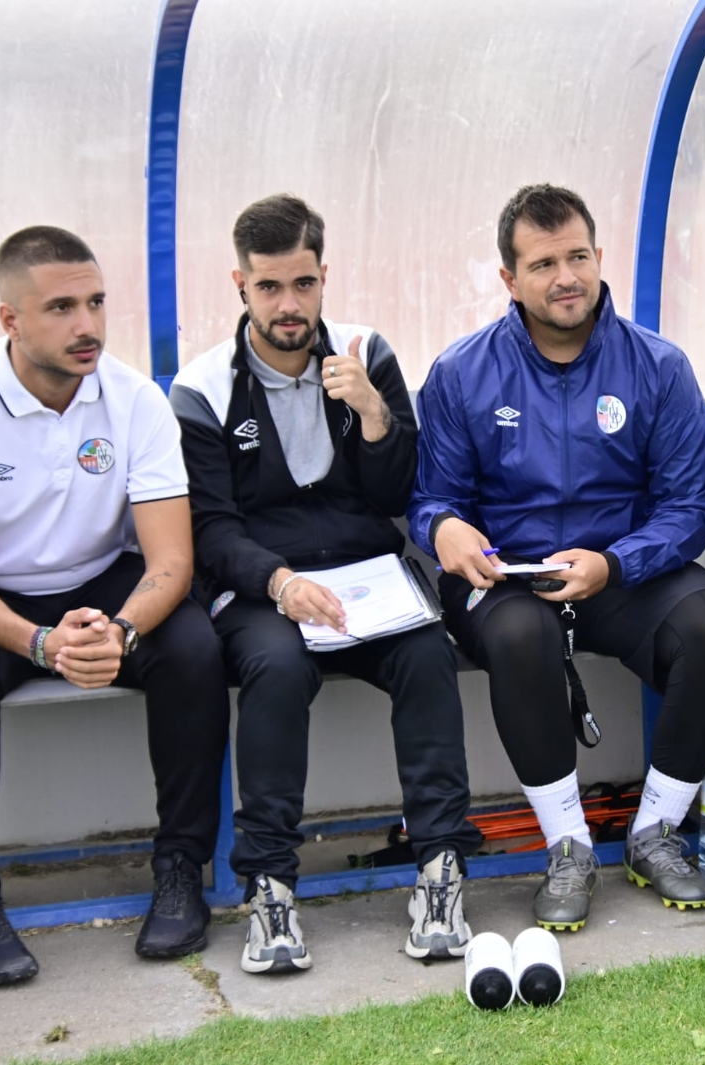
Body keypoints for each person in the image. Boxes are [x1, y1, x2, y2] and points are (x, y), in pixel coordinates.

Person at [409, 185, 705, 933]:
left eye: (577, 257)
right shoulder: (461, 372)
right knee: (519, 633)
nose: (565, 278)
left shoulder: (658, 366)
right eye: (543, 264)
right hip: (508, 581)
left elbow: (694, 504)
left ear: (599, 257)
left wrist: (614, 564)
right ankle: (568, 846)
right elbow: (432, 498)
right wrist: (445, 530)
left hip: (618, 572)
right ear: (510, 280)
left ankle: (654, 831)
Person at [0, 227, 231, 986]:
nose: (89, 326)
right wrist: (43, 643)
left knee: (193, 648)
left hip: (101, 581)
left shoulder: (135, 399)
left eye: (97, 302)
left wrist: (120, 630)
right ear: (10, 319)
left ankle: (181, 871)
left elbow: (171, 562)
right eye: (61, 308)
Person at [169, 195, 483, 974]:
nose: (289, 305)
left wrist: (375, 415)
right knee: (277, 668)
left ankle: (440, 867)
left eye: (303, 284)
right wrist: (278, 583)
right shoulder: (202, 388)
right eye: (269, 287)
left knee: (427, 654)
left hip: (369, 577)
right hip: (263, 588)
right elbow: (211, 530)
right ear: (240, 285)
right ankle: (270, 885)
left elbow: (397, 493)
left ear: (324, 277)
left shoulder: (367, 353)